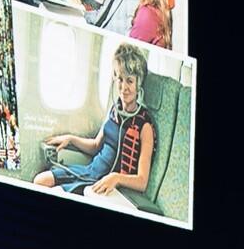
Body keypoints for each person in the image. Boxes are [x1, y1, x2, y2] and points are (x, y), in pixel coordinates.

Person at [33, 41, 155, 201]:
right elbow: (96, 146)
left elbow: (142, 181)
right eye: (119, 79)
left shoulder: (144, 125)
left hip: (105, 183)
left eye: (130, 81)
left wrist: (116, 178)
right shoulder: (114, 109)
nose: (123, 87)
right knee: (39, 181)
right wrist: (70, 138)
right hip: (90, 171)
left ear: (139, 83)